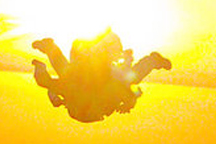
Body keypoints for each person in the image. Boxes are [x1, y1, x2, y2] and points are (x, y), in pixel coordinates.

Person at [31, 29, 170, 122]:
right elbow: (47, 81)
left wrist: (42, 65)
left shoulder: (71, 84)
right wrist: (129, 102)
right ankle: (153, 60)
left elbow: (47, 81)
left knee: (66, 71)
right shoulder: (102, 90)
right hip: (94, 76)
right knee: (129, 77)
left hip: (90, 74)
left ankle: (153, 60)